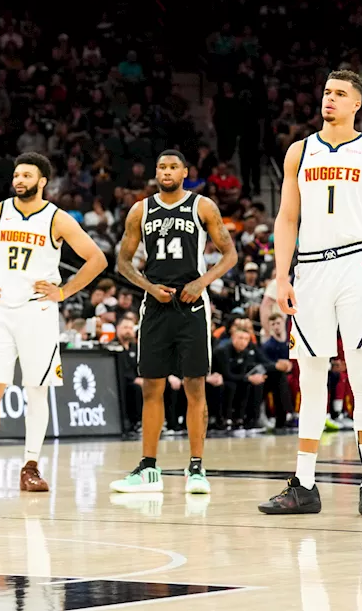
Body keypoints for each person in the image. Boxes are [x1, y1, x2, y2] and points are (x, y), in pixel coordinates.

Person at [260, 70, 362, 518]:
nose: (330, 99)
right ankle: (303, 485)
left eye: (340, 94)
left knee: (361, 373)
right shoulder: (298, 152)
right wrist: (282, 276)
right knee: (311, 376)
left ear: (357, 103)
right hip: (311, 269)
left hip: (358, 263)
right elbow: (285, 219)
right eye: (326, 92)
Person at [0, 153, 108, 494]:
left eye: (26, 175)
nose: (19, 180)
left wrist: (65, 291)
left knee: (37, 391)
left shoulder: (57, 219)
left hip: (38, 313)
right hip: (0, 312)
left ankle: (31, 466)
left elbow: (98, 259)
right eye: (16, 174)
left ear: (42, 182)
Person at [113, 149, 238, 495]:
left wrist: (202, 282)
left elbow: (230, 255)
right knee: (152, 387)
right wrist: (149, 287)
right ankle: (148, 467)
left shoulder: (202, 206)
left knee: (194, 385)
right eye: (161, 167)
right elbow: (123, 263)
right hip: (155, 307)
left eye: (172, 167)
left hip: (192, 307)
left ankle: (196, 468)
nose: (166, 172)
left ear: (185, 172)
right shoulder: (141, 209)